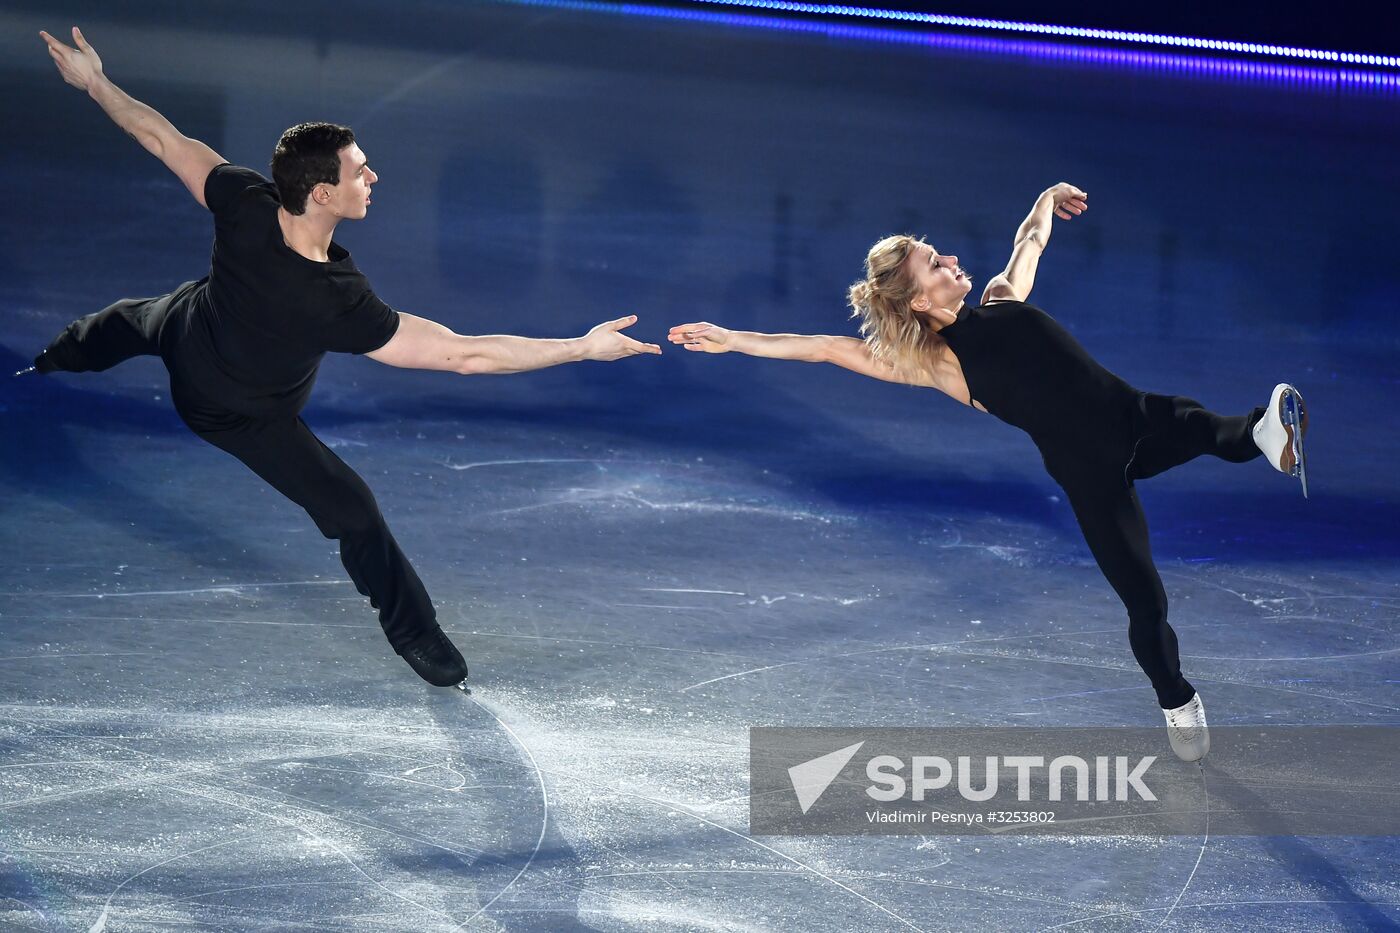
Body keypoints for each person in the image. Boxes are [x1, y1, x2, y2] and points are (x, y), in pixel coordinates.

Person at [26, 27, 662, 689]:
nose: (373, 176)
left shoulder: (245, 201)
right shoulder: (339, 302)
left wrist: (96, 82)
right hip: (239, 411)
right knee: (119, 336)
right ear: (323, 194)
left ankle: (56, 354)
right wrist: (582, 347)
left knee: (133, 325)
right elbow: (466, 356)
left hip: (196, 343)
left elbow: (160, 138)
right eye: (361, 170)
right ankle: (40, 362)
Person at [668, 182, 1308, 761]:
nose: (949, 260)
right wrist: (734, 337)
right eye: (934, 264)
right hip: (1090, 474)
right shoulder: (937, 365)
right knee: (1146, 601)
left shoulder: (1003, 299)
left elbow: (1028, 242)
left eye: (939, 253)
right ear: (919, 299)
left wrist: (1045, 201)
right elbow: (827, 348)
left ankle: (1265, 429)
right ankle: (1175, 697)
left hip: (1136, 419)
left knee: (1201, 425)